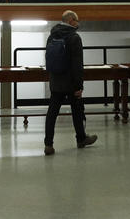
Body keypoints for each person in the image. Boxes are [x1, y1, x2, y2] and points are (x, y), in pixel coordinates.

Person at [43, 10, 97, 155]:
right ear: (71, 20)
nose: (78, 23)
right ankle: (81, 139)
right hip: (71, 82)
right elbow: (77, 64)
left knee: (52, 113)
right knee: (77, 111)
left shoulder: (52, 35)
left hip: (55, 81)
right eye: (77, 20)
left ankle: (48, 144)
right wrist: (79, 86)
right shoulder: (74, 37)